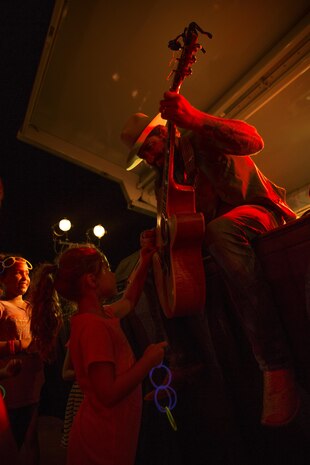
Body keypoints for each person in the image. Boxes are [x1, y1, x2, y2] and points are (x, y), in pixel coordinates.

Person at [120, 90, 300, 427]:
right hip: (214, 237)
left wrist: (195, 118)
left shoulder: (197, 138)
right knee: (155, 263)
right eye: (142, 155)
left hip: (259, 213)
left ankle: (275, 364)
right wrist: (157, 238)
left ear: (163, 133)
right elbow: (180, 222)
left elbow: (253, 140)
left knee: (221, 231)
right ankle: (185, 358)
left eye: (148, 148)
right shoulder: (164, 177)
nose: (147, 159)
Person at [30, 232, 167, 465]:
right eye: (107, 269)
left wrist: (144, 261)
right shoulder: (93, 327)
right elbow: (108, 394)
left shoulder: (102, 316)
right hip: (103, 441)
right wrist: (148, 360)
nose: (113, 274)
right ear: (91, 281)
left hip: (110, 431)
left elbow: (130, 300)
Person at [0, 255, 44, 465]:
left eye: (27, 273)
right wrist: (19, 345)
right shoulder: (1, 307)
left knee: (31, 439)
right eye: (18, 272)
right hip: (10, 390)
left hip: (33, 386)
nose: (24, 277)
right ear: (3, 278)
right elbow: (26, 343)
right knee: (10, 443)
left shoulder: (32, 308)